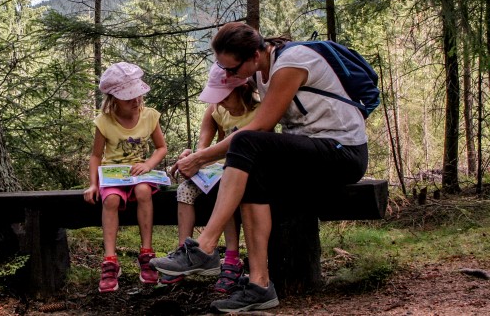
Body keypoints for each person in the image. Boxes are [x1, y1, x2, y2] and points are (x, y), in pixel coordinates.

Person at [150, 22, 369, 313]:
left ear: (255, 54)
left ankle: (204, 246)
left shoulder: (291, 62)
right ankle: (259, 285)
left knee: (246, 142)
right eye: (223, 69)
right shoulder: (263, 70)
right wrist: (204, 154)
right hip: (309, 154)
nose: (229, 76)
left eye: (232, 69)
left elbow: (262, 126)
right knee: (253, 170)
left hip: (342, 153)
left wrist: (201, 158)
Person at [160, 65, 260, 296]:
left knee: (223, 190)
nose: (220, 101)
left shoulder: (260, 109)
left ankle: (232, 259)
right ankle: (185, 252)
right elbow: (203, 148)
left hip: (248, 170)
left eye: (223, 96)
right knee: (184, 190)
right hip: (219, 166)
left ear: (242, 89)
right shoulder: (216, 109)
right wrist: (193, 157)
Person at [83, 62, 168, 293]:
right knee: (110, 200)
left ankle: (147, 254)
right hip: (113, 176)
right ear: (113, 99)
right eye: (129, 96)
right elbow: (96, 155)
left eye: (138, 94)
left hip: (140, 174)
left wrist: (148, 164)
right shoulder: (104, 122)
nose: (136, 100)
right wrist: (93, 184)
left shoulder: (149, 116)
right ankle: (110, 261)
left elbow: (161, 148)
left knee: (142, 192)